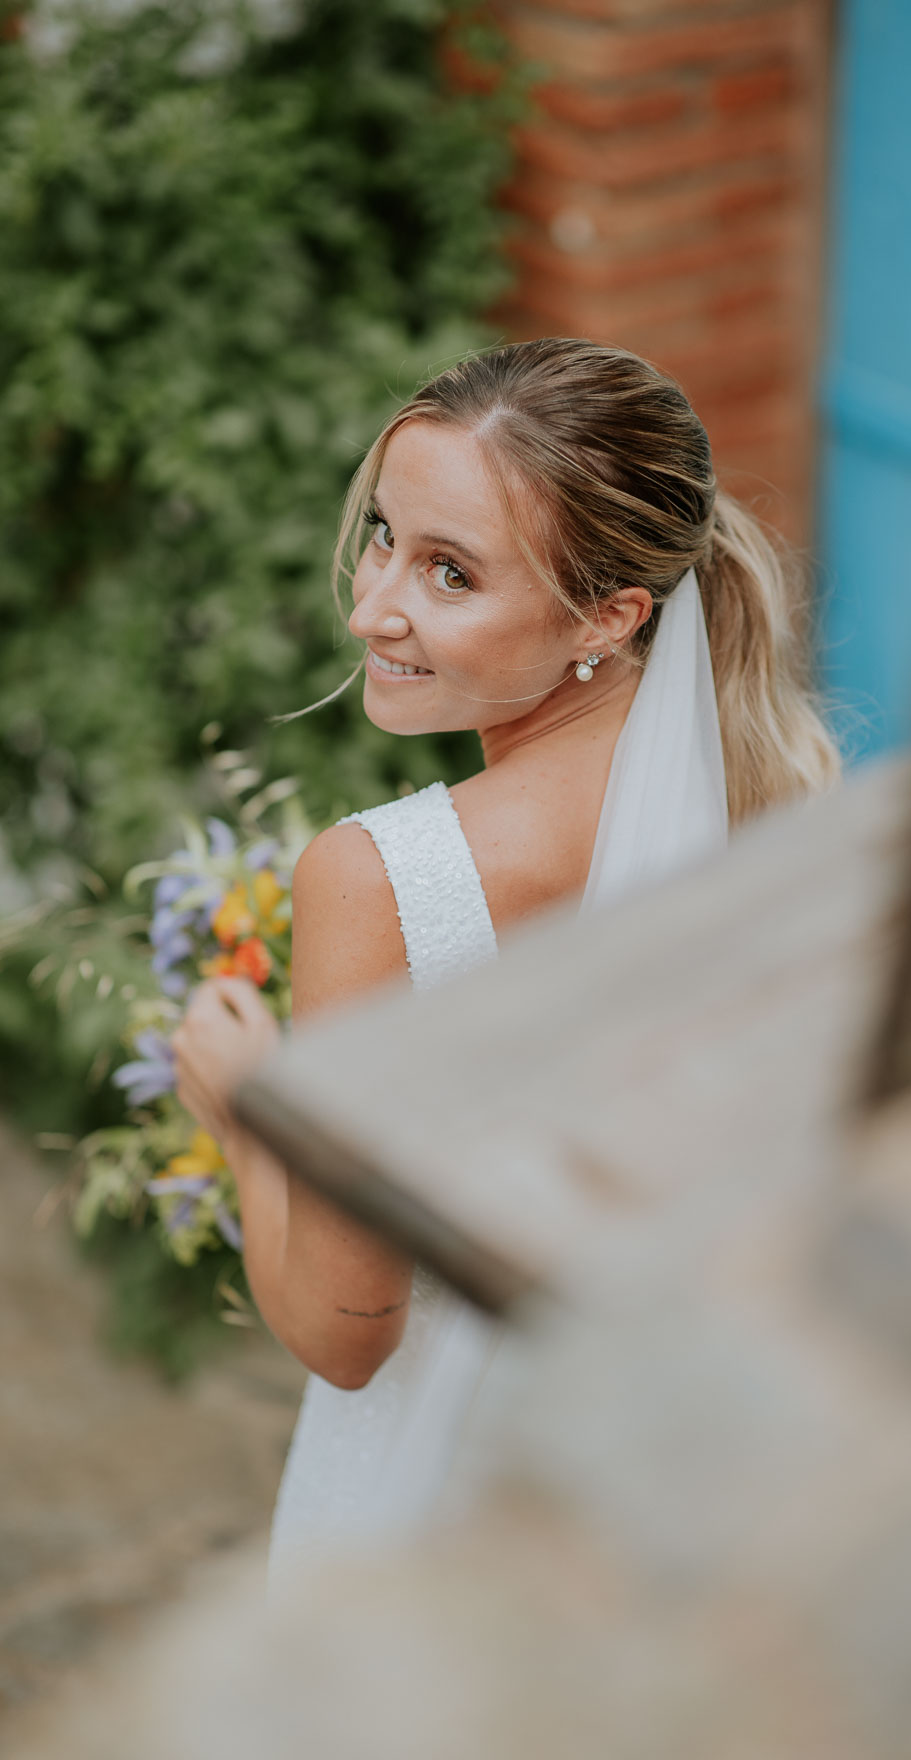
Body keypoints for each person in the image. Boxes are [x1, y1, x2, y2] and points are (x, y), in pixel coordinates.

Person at [172, 338, 839, 1587]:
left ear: (608, 614)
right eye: (383, 536)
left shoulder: (378, 881)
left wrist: (244, 1108)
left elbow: (345, 1330)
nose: (374, 606)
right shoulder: (756, 801)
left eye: (450, 572)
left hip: (438, 1482)